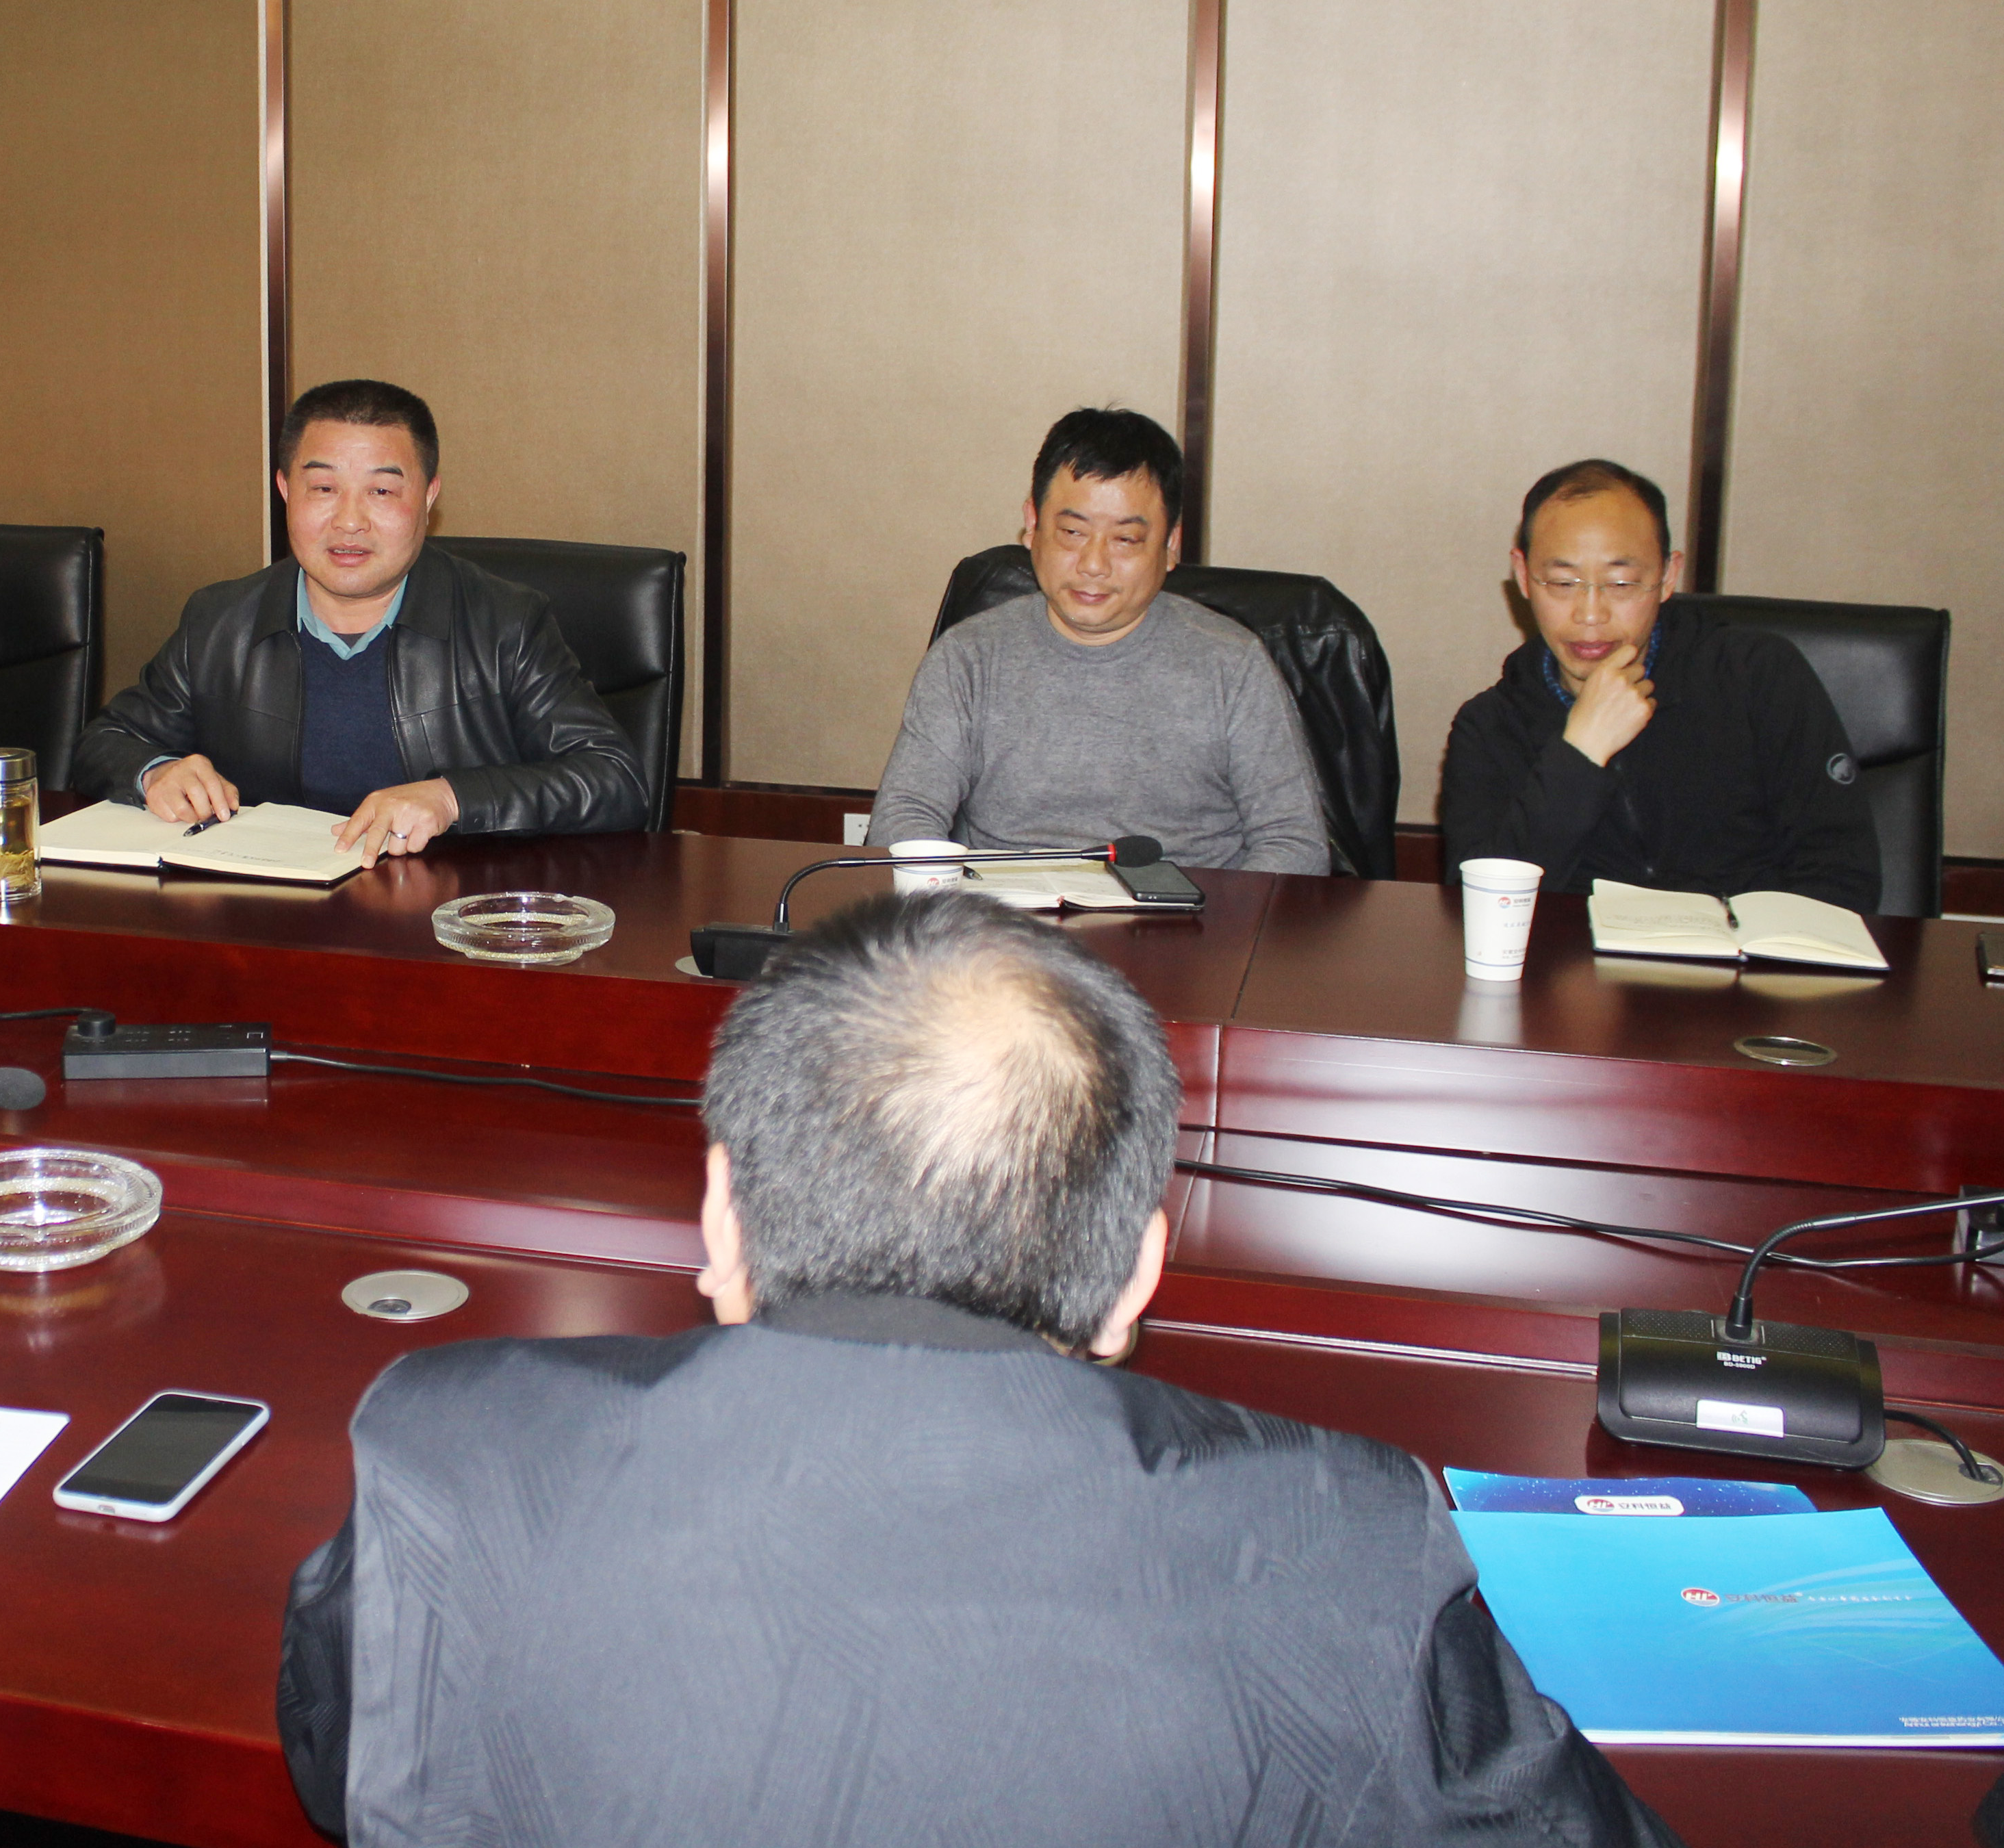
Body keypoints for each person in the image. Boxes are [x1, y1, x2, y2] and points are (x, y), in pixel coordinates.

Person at [278, 890, 1678, 1847]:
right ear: (1136, 1276)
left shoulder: (454, 1459)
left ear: (718, 1218)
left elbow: (347, 1763)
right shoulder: (1347, 1544)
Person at [70, 378, 646, 858]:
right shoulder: (220, 621)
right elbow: (106, 742)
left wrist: (452, 798)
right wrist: (155, 772)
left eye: (381, 492)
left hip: (444, 922)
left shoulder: (506, 624)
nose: (349, 521)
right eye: (324, 487)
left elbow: (615, 779)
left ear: (429, 497)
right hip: (267, 921)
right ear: (285, 490)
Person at [868, 408, 1326, 873]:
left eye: (1125, 540)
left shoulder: (1234, 664)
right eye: (1072, 532)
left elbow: (1294, 843)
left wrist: (1223, 918)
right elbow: (904, 819)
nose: (1093, 565)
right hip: (1006, 910)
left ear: (1170, 545)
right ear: (1032, 524)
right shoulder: (968, 658)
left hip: (1186, 910)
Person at [1441, 459, 1880, 910]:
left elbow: (1842, 875)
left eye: (1621, 583)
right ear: (1523, 575)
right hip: (1575, 956)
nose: (1590, 614)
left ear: (1668, 576)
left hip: (1748, 950)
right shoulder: (1488, 727)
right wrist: (1581, 752)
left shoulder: (1757, 676)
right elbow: (1482, 905)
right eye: (1563, 582)